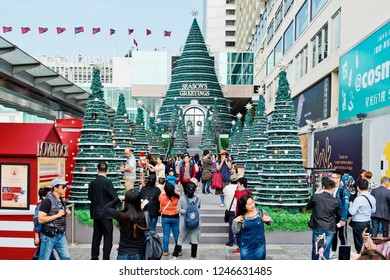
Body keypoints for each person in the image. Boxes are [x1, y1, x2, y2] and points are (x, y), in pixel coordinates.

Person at [88, 161, 118, 260]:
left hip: (96, 213)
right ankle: (106, 258)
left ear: (97, 170)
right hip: (106, 214)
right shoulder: (107, 182)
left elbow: (90, 197)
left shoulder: (92, 183)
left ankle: (94, 257)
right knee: (108, 237)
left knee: (96, 236)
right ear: (107, 171)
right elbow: (115, 197)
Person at [104, 189, 147, 260]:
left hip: (123, 253)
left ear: (126, 201)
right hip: (138, 253)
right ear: (139, 201)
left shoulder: (121, 215)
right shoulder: (143, 215)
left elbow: (106, 208)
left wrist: (119, 198)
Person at [306, 177, 340, 260]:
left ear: (323, 187)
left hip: (318, 226)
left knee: (316, 249)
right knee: (326, 250)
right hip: (329, 227)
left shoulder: (316, 197)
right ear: (333, 188)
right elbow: (338, 214)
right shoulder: (335, 201)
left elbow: (308, 207)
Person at [38, 178, 71, 260]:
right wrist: (58, 215)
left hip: (60, 234)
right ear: (55, 188)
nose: (65, 188)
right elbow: (41, 219)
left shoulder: (61, 200)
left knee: (66, 258)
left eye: (65, 186)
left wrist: (65, 213)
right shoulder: (47, 201)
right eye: (63, 187)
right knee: (43, 259)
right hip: (49, 235)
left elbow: (59, 215)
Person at [232, 195, 272, 260]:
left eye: (252, 202)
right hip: (246, 247)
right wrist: (235, 221)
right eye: (249, 204)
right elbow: (235, 231)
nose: (252, 205)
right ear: (244, 207)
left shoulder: (261, 213)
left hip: (259, 246)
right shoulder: (242, 217)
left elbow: (270, 222)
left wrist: (269, 219)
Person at [172, 182, 201, 260]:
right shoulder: (198, 198)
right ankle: (193, 258)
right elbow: (198, 208)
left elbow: (178, 209)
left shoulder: (182, 198)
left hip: (184, 222)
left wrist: (186, 212)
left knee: (180, 238)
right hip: (195, 222)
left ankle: (174, 257)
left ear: (186, 189)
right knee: (194, 239)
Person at [349, 178, 376, 253]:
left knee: (359, 243)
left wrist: (350, 205)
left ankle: (361, 257)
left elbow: (352, 212)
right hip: (368, 222)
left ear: (358, 188)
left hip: (358, 223)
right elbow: (373, 210)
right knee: (366, 242)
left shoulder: (358, 199)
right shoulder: (372, 198)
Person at [330, 170, 350, 258]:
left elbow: (346, 205)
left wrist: (343, 219)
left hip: (340, 216)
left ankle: (344, 254)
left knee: (342, 236)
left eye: (335, 178)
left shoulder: (344, 190)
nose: (333, 179)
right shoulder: (330, 188)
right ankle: (333, 250)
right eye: (332, 177)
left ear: (339, 179)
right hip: (332, 217)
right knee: (333, 234)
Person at [32, 187, 56, 260]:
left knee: (44, 252)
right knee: (47, 253)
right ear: (43, 197)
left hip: (48, 232)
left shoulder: (50, 204)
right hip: (43, 233)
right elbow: (36, 222)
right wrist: (36, 236)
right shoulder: (41, 207)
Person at [158, 183, 181, 256]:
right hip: (175, 216)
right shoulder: (177, 196)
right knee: (177, 235)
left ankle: (165, 251)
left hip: (165, 216)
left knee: (166, 235)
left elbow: (160, 199)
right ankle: (179, 251)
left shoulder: (161, 197)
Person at [232, 177, 252, 254]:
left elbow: (237, 196)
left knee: (239, 232)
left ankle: (241, 247)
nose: (237, 185)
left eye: (238, 183)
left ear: (241, 184)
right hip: (245, 214)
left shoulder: (240, 193)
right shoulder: (248, 192)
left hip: (241, 214)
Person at [223, 173, 238, 247]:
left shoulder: (226, 188)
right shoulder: (238, 188)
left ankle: (231, 241)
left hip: (229, 209)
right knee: (239, 225)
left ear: (230, 180)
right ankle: (239, 242)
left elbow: (224, 193)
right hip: (237, 209)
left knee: (231, 226)